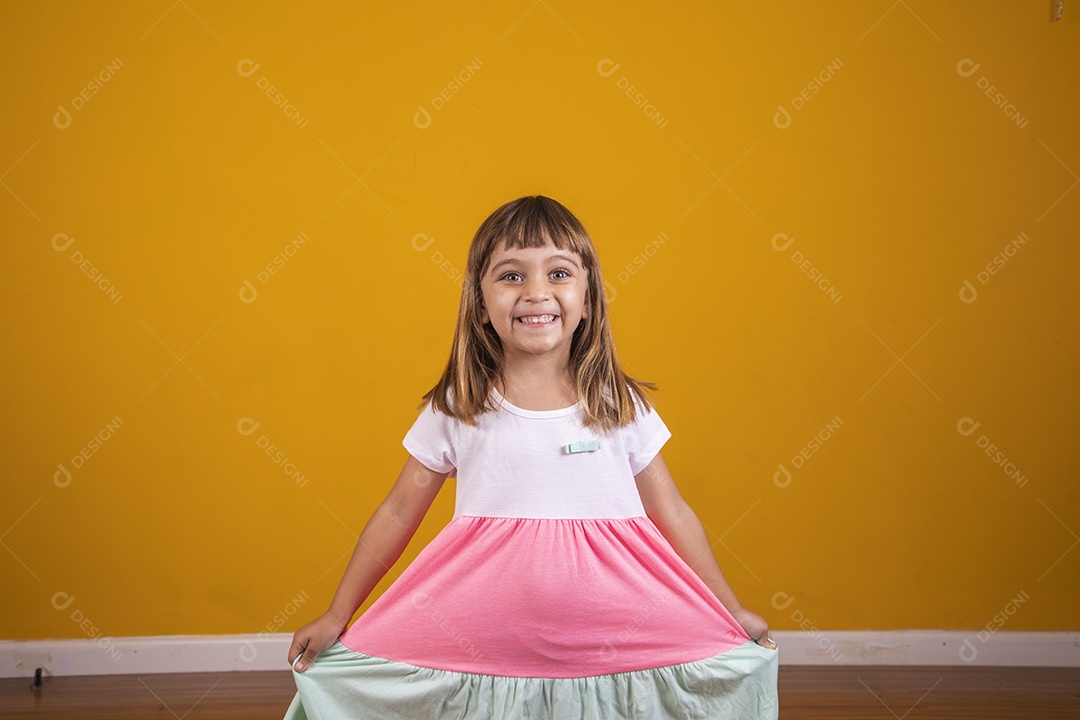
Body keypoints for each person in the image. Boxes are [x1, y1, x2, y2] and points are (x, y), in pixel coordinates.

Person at [282, 195, 779, 719]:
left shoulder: (619, 406)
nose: (536, 292)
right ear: (480, 304)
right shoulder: (459, 406)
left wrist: (731, 609)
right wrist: (340, 612)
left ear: (589, 301)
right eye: (511, 276)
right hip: (481, 635)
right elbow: (398, 512)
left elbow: (673, 513)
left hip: (617, 631)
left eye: (559, 273)